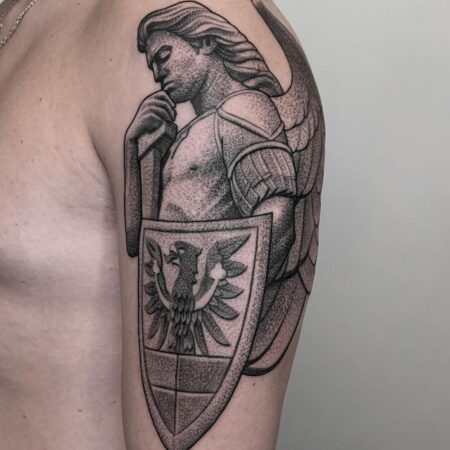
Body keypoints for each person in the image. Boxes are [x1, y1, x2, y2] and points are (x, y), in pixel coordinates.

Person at [0, 1, 324, 449]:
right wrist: (140, 157)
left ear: (206, 41)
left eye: (164, 56)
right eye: (152, 62)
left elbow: (275, 218)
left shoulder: (242, 111)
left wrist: (213, 280)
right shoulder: (17, 13)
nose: (156, 71)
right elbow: (142, 249)